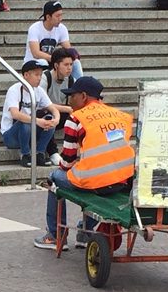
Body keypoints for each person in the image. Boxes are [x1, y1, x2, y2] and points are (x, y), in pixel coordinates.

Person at [38, 75, 134, 251]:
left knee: (54, 177)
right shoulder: (122, 116)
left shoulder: (76, 119)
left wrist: (74, 166)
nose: (70, 100)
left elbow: (66, 162)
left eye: (72, 96)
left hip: (95, 183)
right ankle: (85, 231)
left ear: (83, 96)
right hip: (122, 180)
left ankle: (55, 236)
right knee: (91, 175)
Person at [0, 58, 60, 164]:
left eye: (41, 75)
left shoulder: (38, 90)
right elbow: (15, 114)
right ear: (26, 75)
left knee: (49, 120)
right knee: (25, 121)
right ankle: (25, 155)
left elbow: (53, 108)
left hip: (29, 133)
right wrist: (37, 121)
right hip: (11, 136)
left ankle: (39, 154)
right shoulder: (14, 90)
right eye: (36, 75)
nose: (39, 78)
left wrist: (56, 120)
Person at [23, 1, 72, 68]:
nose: (60, 19)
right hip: (33, 64)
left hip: (51, 64)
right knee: (43, 62)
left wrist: (73, 54)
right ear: (48, 17)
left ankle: (77, 79)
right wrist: (55, 59)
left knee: (75, 62)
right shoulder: (34, 28)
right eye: (57, 16)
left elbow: (68, 49)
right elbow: (36, 53)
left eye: (61, 15)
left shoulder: (62, 28)